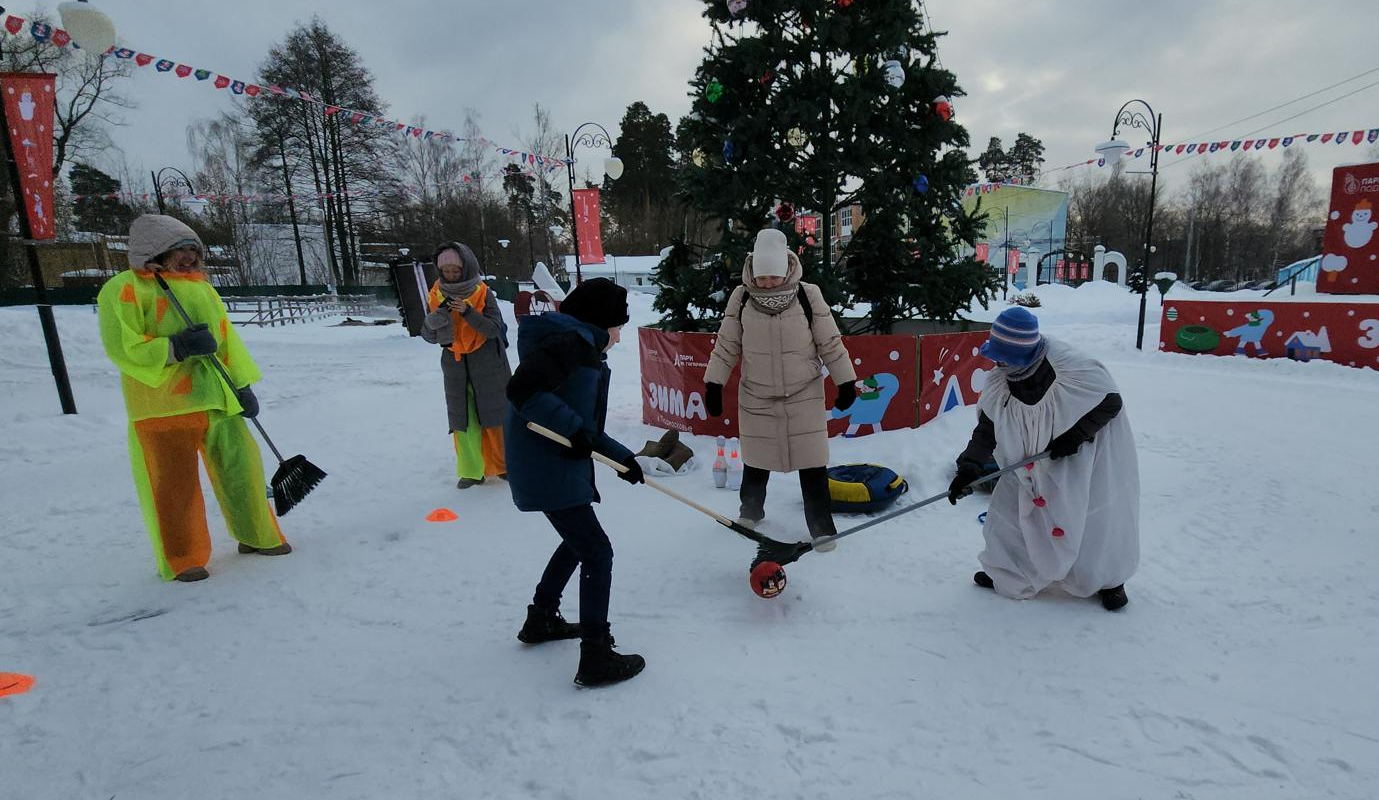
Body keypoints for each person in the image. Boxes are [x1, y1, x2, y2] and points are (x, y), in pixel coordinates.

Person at [96, 214, 289, 583]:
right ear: (156, 251)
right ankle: (183, 557)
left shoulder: (201, 288)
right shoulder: (124, 288)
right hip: (162, 406)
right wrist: (176, 347)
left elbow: (227, 341)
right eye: (179, 249)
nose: (189, 256)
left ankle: (257, 536)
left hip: (218, 398)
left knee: (244, 472)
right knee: (173, 487)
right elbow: (121, 346)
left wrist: (242, 385)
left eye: (193, 249)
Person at [503, 278, 647, 687]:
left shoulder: (577, 345)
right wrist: (577, 434)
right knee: (597, 551)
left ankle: (542, 618)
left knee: (578, 542)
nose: (619, 337)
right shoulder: (572, 345)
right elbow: (522, 390)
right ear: (601, 323)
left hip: (553, 463)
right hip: (548, 466)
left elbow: (579, 425)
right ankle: (596, 655)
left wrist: (623, 458)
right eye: (618, 327)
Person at [948, 307, 1139, 611]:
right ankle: (1008, 572)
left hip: (1082, 459)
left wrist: (1073, 437)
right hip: (1025, 462)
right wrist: (968, 468)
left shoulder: (1074, 369)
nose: (997, 364)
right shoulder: (1000, 381)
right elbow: (988, 428)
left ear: (1023, 354)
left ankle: (1109, 581)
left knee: (1093, 518)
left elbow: (1110, 402)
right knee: (1009, 514)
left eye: (1003, 359)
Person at [704, 228, 856, 551]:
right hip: (757, 395)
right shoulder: (742, 297)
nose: (768, 283)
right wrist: (714, 383)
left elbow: (830, 342)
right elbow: (727, 345)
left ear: (786, 268)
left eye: (774, 276)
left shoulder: (807, 295)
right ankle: (750, 512)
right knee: (756, 461)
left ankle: (821, 527)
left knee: (813, 464)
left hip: (804, 395)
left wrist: (846, 381)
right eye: (762, 277)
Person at [420, 242, 511, 488]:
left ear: (466, 268)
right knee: (463, 420)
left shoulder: (482, 292)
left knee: (495, 416)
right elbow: (427, 335)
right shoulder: (435, 294)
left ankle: (503, 466)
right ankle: (471, 471)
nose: (450, 275)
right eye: (446, 270)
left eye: (455, 270)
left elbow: (494, 329)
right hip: (454, 364)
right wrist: (434, 321)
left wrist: (469, 312)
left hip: (488, 361)